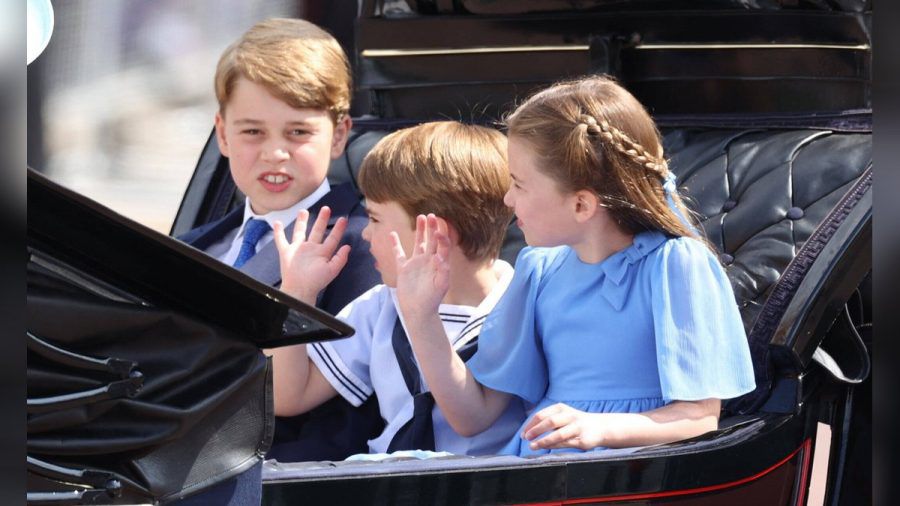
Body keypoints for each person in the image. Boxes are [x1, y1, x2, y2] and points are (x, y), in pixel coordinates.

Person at [391, 76, 756, 457]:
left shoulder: (675, 265)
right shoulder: (539, 270)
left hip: (622, 478)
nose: (508, 198)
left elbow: (699, 418)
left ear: (581, 204)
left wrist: (598, 427)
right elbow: (473, 417)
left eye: (519, 184)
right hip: (539, 470)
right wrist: (421, 316)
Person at [172, 18, 381, 504]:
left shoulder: (361, 241)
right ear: (222, 134)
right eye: (252, 131)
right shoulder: (194, 247)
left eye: (298, 131)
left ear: (339, 135)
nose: (275, 153)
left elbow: (346, 412)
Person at [270, 121, 526, 456]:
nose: (365, 234)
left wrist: (419, 315)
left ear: (435, 235)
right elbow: (288, 397)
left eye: (375, 220)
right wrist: (296, 295)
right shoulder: (380, 307)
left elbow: (468, 421)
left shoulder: (516, 305)